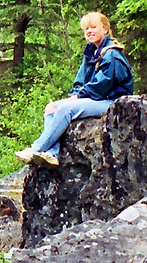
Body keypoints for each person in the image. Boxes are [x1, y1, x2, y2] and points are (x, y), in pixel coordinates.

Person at [15, 11, 134, 168]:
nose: (89, 31)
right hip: (96, 98)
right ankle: (52, 154)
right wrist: (75, 94)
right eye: (86, 29)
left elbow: (102, 85)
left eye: (93, 27)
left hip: (112, 101)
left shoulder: (111, 54)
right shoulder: (91, 53)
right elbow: (80, 81)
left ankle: (36, 148)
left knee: (66, 109)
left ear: (105, 29)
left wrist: (78, 97)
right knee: (51, 108)